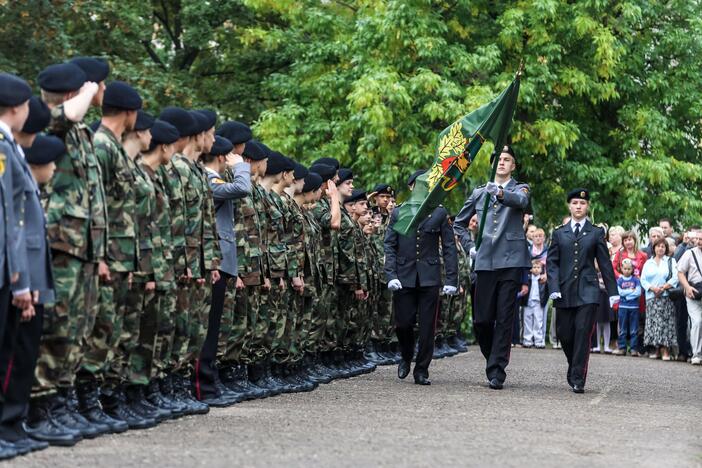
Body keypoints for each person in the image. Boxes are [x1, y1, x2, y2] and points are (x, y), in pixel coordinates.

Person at [454, 145, 531, 390]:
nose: (502, 163)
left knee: (504, 317)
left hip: (511, 260)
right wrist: (470, 247)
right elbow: (459, 223)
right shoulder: (479, 193)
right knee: (482, 320)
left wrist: (498, 192)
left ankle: (497, 370)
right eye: (498, 159)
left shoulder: (520, 188)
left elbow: (521, 201)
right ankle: (492, 359)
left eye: (507, 159)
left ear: (513, 165)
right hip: (485, 260)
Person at [385, 169, 458, 385]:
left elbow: (449, 247)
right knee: (403, 324)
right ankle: (406, 356)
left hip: (429, 277)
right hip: (404, 276)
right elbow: (390, 245)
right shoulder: (400, 212)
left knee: (428, 327)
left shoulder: (438, 213)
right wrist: (390, 274)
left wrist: (452, 280)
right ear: (410, 188)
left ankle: (422, 369)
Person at [547, 189, 618, 393]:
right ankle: (574, 365)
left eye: (582, 203)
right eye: (575, 203)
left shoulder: (596, 232)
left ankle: (578, 377)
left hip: (588, 291)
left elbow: (605, 264)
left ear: (588, 207)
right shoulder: (559, 233)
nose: (578, 206)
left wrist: (612, 291)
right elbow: (552, 263)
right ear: (569, 206)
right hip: (564, 290)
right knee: (565, 334)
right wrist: (553, 287)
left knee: (582, 332)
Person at [640, 238, 679, 361]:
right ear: (654, 248)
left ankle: (666, 349)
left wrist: (663, 287)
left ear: (666, 249)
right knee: (654, 323)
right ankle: (655, 348)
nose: (660, 248)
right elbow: (643, 280)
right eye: (658, 246)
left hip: (666, 296)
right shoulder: (648, 263)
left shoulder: (671, 261)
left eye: (663, 246)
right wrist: (652, 288)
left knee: (666, 324)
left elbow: (676, 277)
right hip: (652, 297)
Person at [675, 240, 702, 365]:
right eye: (698, 239)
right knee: (696, 322)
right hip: (693, 292)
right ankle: (696, 354)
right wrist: (687, 287)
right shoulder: (689, 253)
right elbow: (680, 271)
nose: (699, 241)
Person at [613, 259, 641, 356]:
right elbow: (619, 292)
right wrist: (630, 291)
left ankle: (633, 349)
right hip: (623, 307)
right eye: (625, 269)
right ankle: (622, 347)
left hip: (634, 307)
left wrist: (626, 295)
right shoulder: (619, 281)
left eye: (629, 269)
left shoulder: (636, 280)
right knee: (622, 328)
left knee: (634, 329)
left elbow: (638, 292)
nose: (627, 271)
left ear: (632, 269)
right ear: (621, 268)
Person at [521, 259, 547, 348]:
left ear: (541, 269)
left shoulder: (543, 279)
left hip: (538, 302)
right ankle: (527, 340)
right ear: (531, 269)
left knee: (538, 322)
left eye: (538, 267)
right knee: (527, 321)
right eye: (534, 267)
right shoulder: (527, 279)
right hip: (528, 302)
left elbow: (546, 291)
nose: (536, 269)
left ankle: (538, 341)